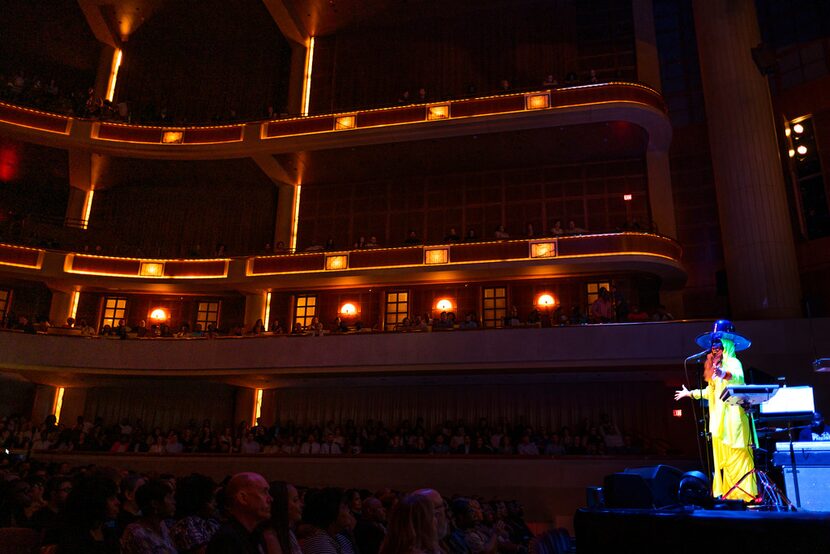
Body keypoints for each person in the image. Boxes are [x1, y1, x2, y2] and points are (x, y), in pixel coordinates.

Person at [674, 320, 757, 501]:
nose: (714, 349)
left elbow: (737, 378)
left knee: (738, 458)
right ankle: (730, 497)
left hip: (733, 421)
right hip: (719, 423)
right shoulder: (714, 369)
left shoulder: (734, 362)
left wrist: (722, 374)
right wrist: (691, 393)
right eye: (712, 346)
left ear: (726, 346)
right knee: (725, 462)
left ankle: (746, 497)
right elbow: (711, 393)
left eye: (718, 345)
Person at [207, 472, 272, 553]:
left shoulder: (255, 536)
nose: (270, 499)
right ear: (243, 498)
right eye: (264, 492)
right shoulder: (227, 540)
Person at [264, 481, 303, 554]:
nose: (301, 505)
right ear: (281, 504)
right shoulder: (271, 537)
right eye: (295, 500)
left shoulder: (288, 532)